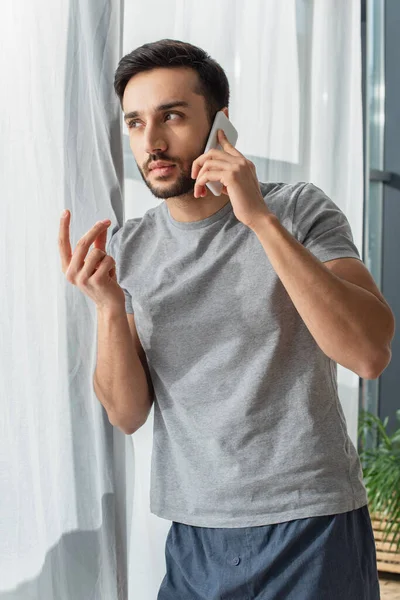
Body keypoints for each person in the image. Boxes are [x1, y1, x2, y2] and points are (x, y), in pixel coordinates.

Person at [68, 39, 395, 599]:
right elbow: (126, 414)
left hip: (311, 524)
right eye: (136, 123)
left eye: (171, 115)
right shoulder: (129, 247)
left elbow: (367, 352)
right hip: (195, 535)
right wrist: (108, 307)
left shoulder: (298, 210)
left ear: (221, 122)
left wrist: (259, 220)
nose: (152, 142)